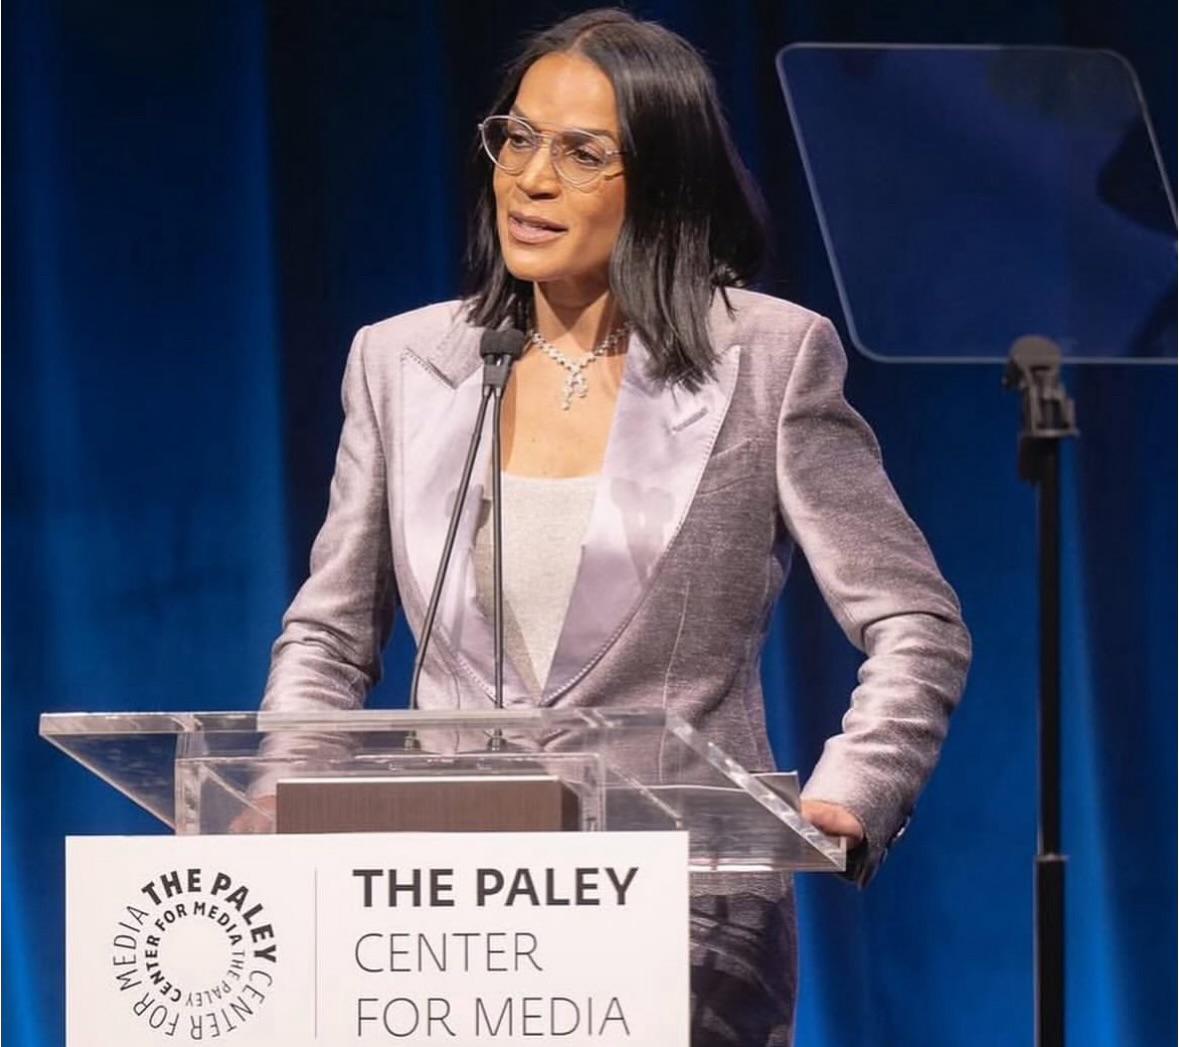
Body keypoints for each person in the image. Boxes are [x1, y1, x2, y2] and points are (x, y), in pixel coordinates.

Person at [259, 9, 970, 1045]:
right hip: (434, 921)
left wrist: (852, 793)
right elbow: (328, 635)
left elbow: (916, 620)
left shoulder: (767, 360)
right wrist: (285, 790)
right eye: (518, 138)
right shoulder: (403, 363)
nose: (532, 178)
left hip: (685, 919)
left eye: (583, 152)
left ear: (663, 181)